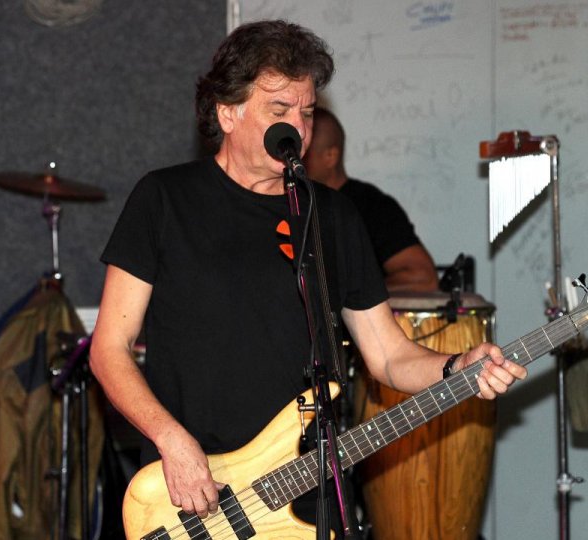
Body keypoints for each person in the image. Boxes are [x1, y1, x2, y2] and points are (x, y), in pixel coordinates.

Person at [89, 19, 526, 533]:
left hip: (307, 493)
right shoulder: (164, 200)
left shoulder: (333, 217)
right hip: (193, 492)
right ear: (227, 113)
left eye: (307, 111)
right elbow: (109, 349)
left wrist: (456, 367)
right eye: (279, 111)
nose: (297, 126)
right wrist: (170, 439)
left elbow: (388, 355)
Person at [304, 107, 439, 293]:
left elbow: (423, 278)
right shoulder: (288, 203)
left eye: (303, 153)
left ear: (330, 156)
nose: (292, 161)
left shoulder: (372, 207)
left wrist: (351, 296)